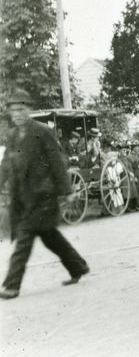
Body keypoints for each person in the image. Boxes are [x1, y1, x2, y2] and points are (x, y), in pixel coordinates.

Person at [0, 90, 89, 300]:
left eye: (21, 109)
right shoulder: (12, 136)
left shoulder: (42, 131)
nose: (17, 114)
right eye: (14, 111)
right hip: (22, 197)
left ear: (29, 109)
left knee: (24, 239)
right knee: (50, 237)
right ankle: (77, 266)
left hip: (43, 196)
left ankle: (11, 286)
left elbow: (57, 162)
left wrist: (67, 191)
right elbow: (6, 165)